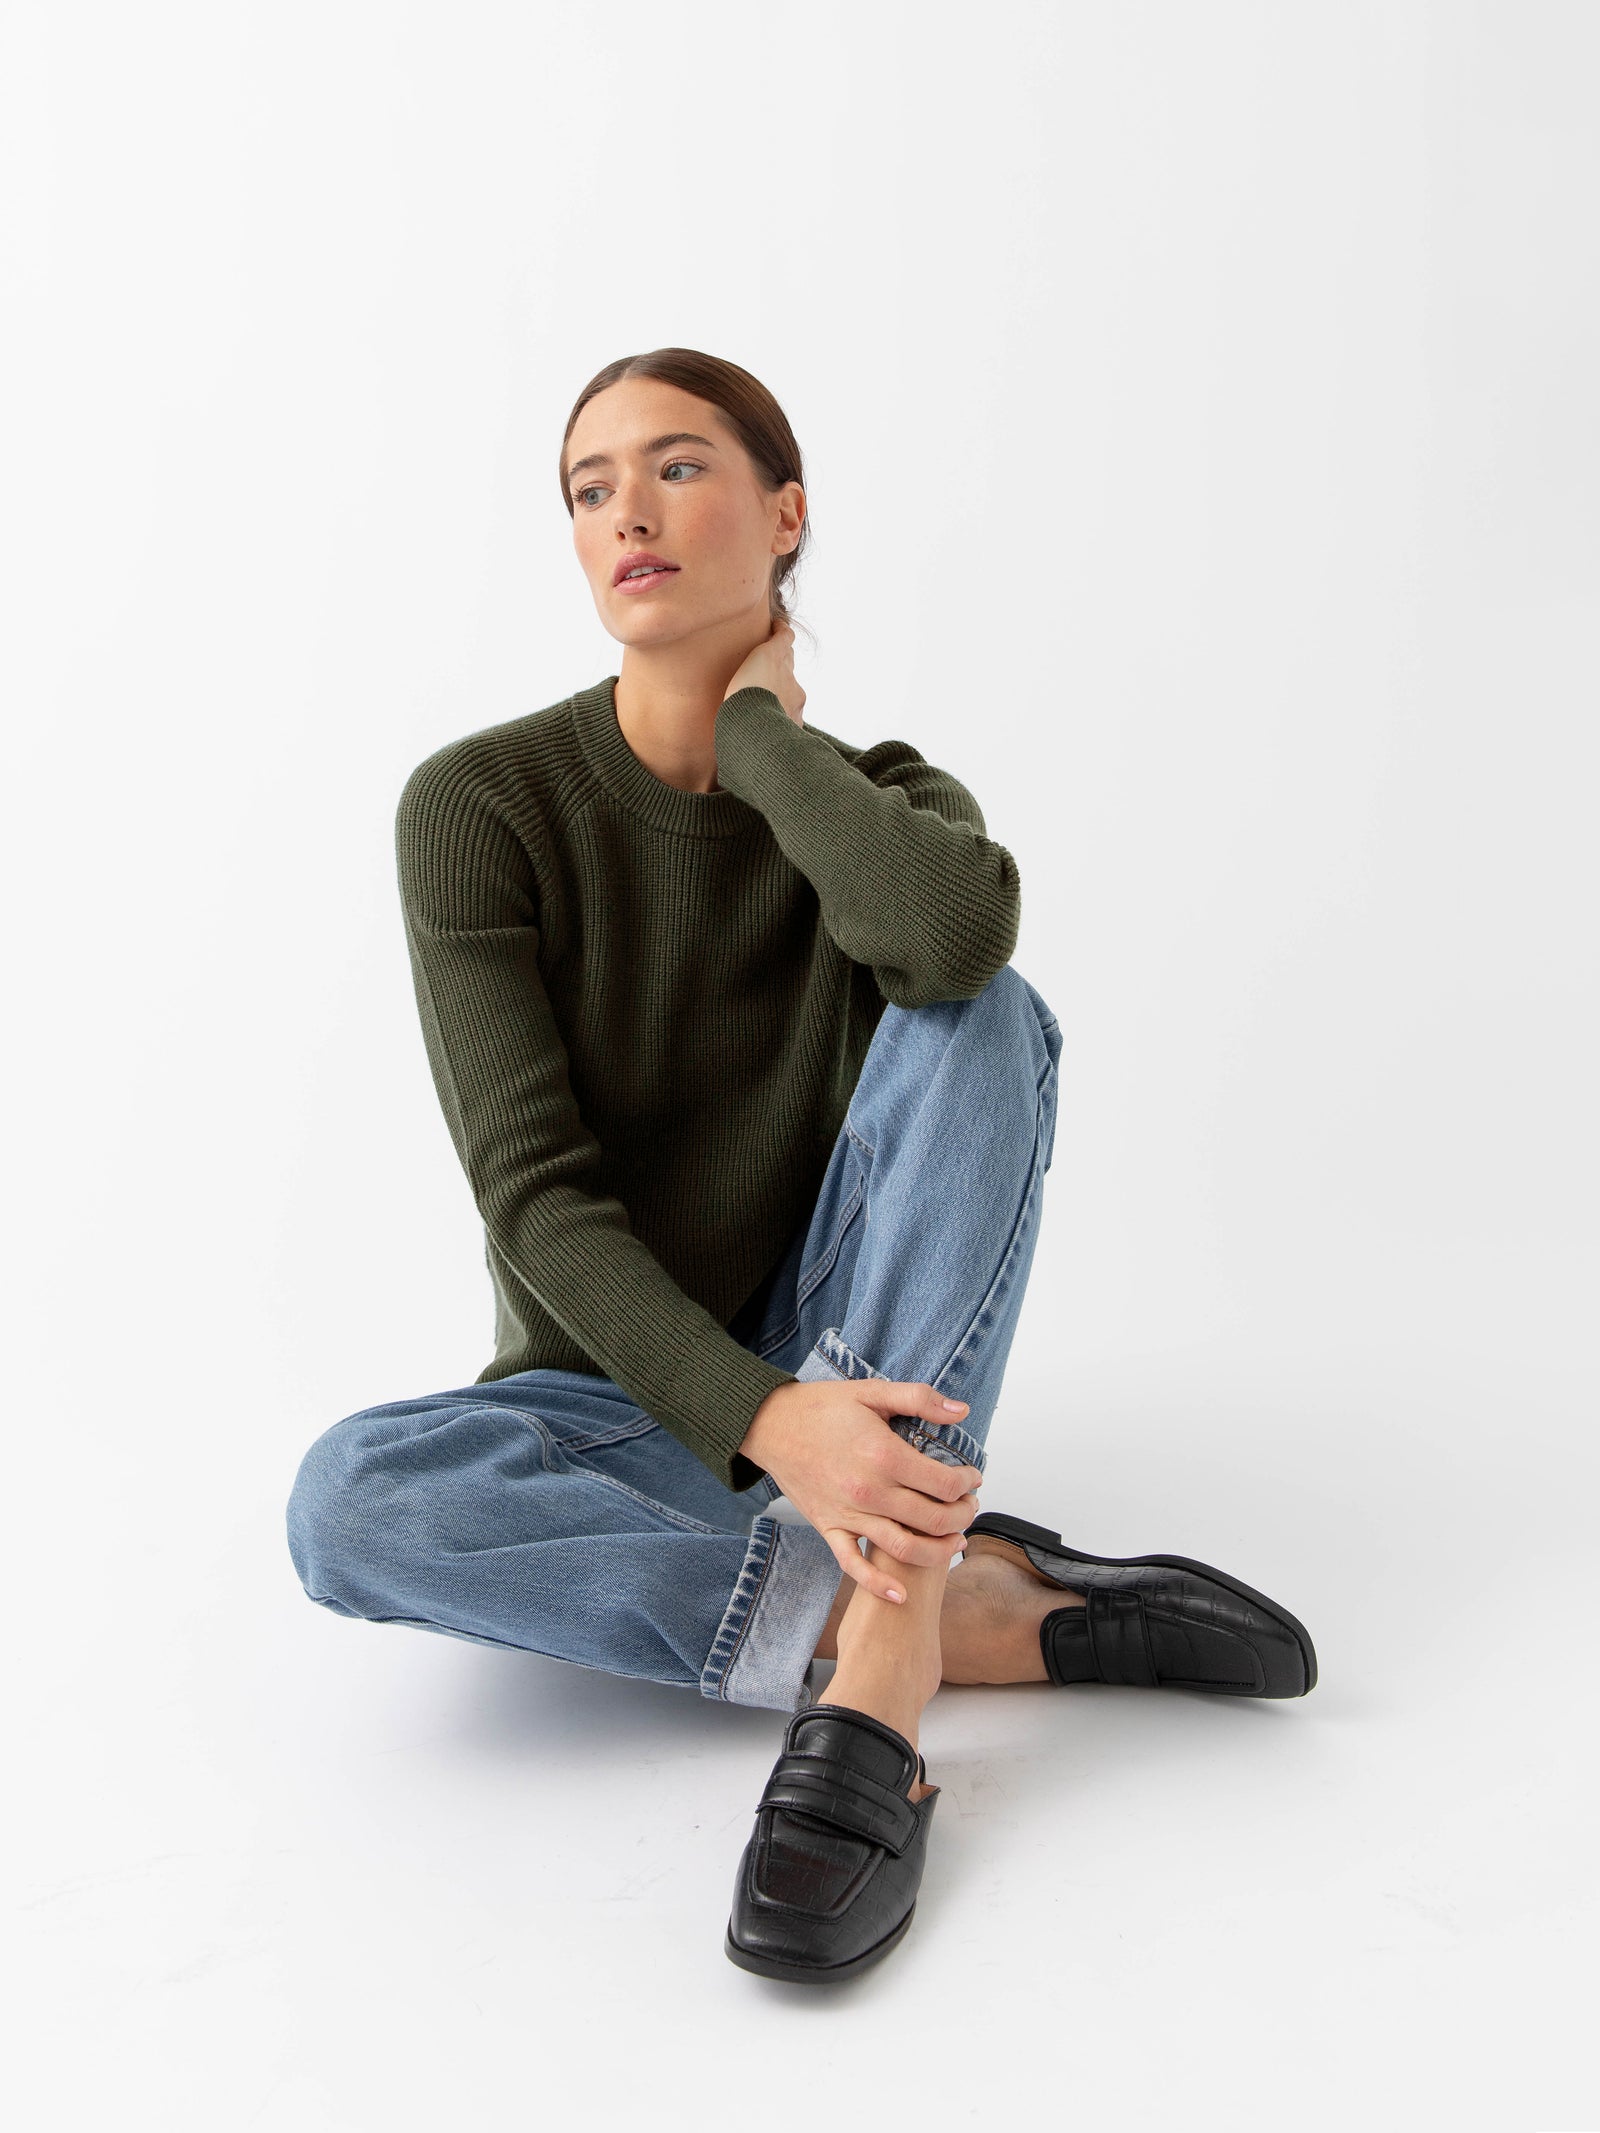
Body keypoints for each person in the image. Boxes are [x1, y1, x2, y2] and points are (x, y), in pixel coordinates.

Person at [285, 346, 1317, 1986]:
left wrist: (763, 740)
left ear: (787, 514)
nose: (627, 510)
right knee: (351, 1502)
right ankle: (931, 1608)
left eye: (677, 466)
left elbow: (954, 948)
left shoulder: (889, 804)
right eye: (588, 485)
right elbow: (535, 1195)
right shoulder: (479, 807)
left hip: (858, 1352)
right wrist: (770, 1426)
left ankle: (873, 1672)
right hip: (611, 1396)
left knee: (985, 1014)